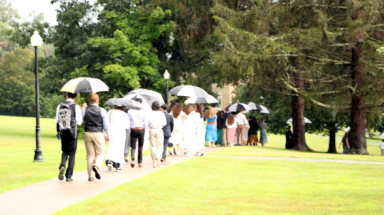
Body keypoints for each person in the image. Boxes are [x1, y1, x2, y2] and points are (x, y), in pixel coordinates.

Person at [82, 93, 110, 181]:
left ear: (89, 101)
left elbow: (80, 120)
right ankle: (96, 166)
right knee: (100, 153)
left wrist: (83, 108)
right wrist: (107, 135)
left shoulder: (85, 110)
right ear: (98, 100)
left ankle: (90, 176)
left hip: (87, 133)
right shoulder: (102, 110)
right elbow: (106, 125)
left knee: (90, 155)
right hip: (98, 133)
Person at [56, 92, 83, 182]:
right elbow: (79, 122)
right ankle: (68, 176)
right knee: (72, 154)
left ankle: (63, 165)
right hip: (72, 133)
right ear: (75, 97)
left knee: (64, 151)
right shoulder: (76, 107)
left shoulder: (60, 106)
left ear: (67, 96)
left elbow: (57, 120)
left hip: (63, 132)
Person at [105, 106, 130, 172]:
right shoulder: (124, 114)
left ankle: (109, 160)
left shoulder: (110, 112)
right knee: (119, 148)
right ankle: (117, 165)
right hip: (120, 132)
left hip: (111, 131)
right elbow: (127, 126)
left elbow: (107, 121)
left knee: (111, 146)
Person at [128, 98, 148, 168]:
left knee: (133, 146)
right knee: (140, 146)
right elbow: (145, 123)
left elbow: (128, 122)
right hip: (141, 129)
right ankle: (140, 162)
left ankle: (133, 158)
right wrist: (145, 131)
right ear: (141, 104)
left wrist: (130, 131)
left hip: (133, 129)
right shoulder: (144, 111)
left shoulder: (130, 111)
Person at [148, 101, 167, 168]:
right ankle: (158, 154)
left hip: (152, 130)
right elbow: (164, 123)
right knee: (160, 145)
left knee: (153, 146)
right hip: (159, 129)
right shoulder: (161, 114)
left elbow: (147, 123)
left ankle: (154, 163)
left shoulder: (149, 113)